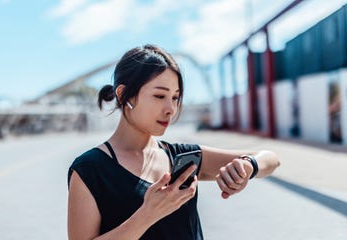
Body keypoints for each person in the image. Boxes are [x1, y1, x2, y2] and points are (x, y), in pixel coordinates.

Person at [67, 44, 280, 240]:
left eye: (176, 97)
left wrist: (247, 166)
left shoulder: (182, 158)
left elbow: (270, 159)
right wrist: (147, 215)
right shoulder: (89, 170)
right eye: (160, 96)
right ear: (124, 95)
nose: (171, 109)